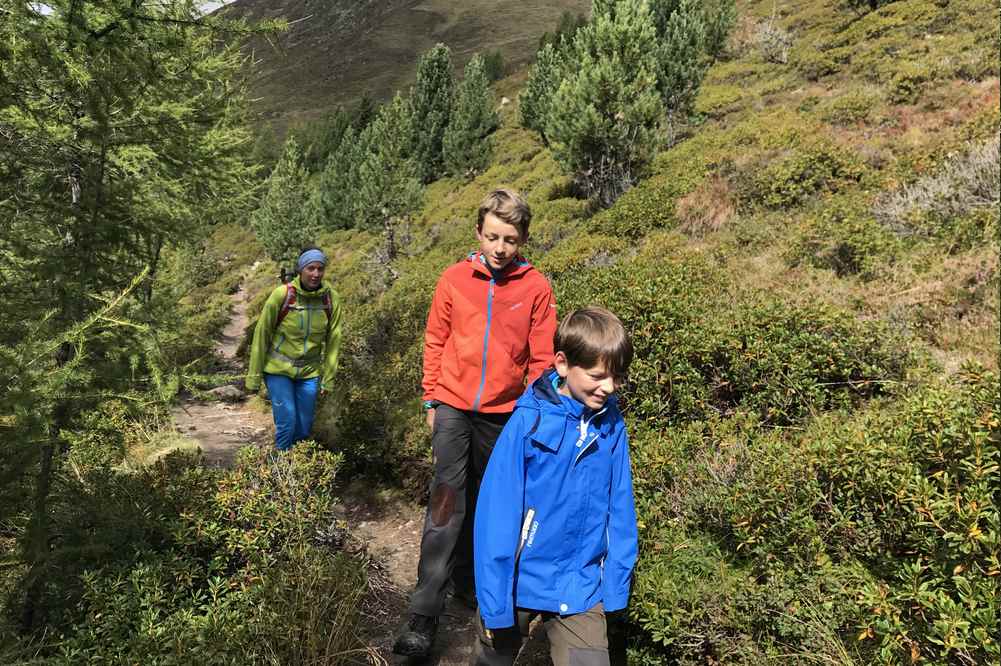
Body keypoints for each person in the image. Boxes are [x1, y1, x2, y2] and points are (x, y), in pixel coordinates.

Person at [393, 189, 558, 658]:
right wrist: (430, 400)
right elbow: (436, 340)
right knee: (446, 502)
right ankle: (423, 617)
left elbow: (542, 361)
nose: (500, 247)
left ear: (523, 238)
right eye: (492, 237)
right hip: (452, 405)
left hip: (505, 415)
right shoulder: (453, 279)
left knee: (490, 507)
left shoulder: (536, 288)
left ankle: (472, 589)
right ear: (478, 234)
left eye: (509, 238)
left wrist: (532, 415)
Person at [470, 306, 638, 666]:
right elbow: (496, 515)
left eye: (616, 377)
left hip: (581, 586)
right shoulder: (527, 422)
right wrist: (495, 601)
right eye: (597, 375)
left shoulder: (612, 425)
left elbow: (620, 509)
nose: (609, 388)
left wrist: (615, 590)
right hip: (517, 581)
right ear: (562, 364)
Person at [245, 246, 343, 451]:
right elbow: (261, 334)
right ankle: (279, 474)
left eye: (320, 269)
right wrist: (253, 376)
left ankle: (297, 474)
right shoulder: (282, 295)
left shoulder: (330, 299)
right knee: (286, 424)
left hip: (309, 373)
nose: (316, 274)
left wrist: (329, 378)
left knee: (303, 429)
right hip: (278, 370)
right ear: (301, 270)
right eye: (311, 268)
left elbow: (334, 339)